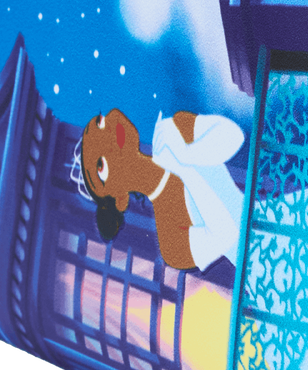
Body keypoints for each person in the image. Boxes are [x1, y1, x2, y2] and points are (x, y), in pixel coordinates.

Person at [80, 108, 245, 271]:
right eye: (101, 166)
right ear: (120, 200)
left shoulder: (170, 133)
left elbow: (234, 136)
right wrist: (184, 170)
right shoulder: (171, 244)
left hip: (260, 207)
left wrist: (187, 153)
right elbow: (229, 235)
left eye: (100, 123)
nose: (108, 135)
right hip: (255, 265)